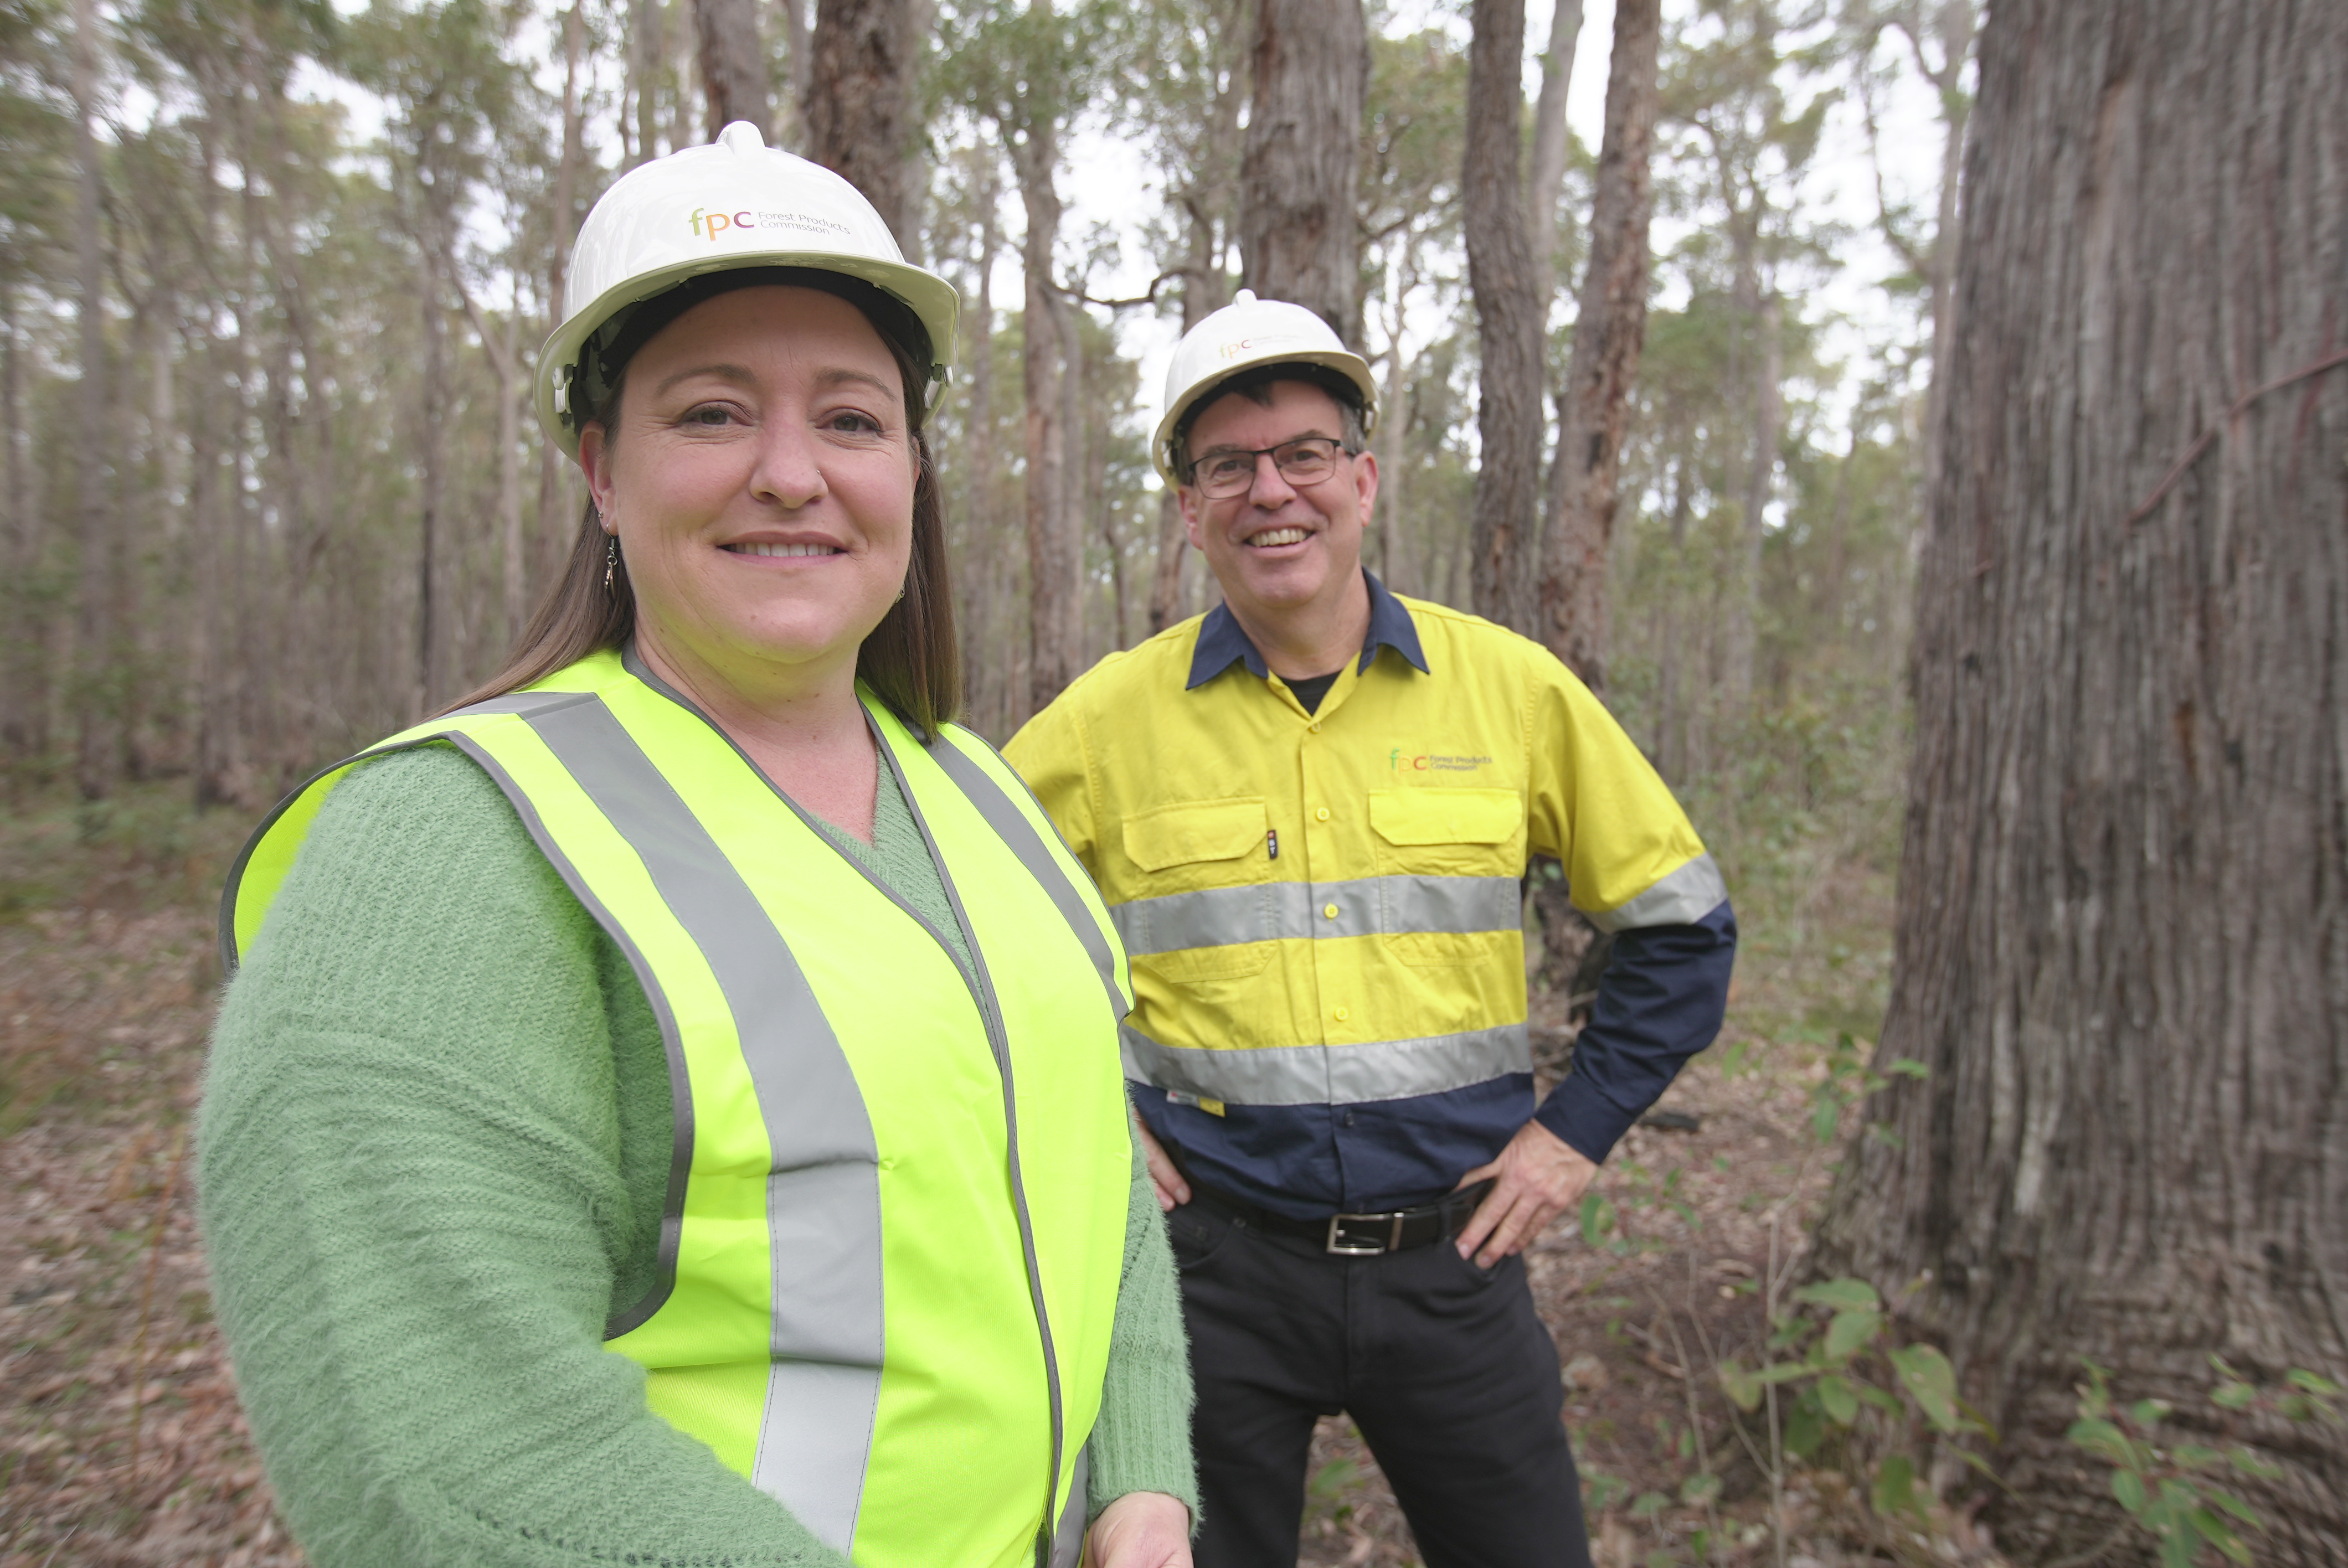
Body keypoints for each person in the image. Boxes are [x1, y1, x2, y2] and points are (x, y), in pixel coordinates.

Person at [199, 123, 1194, 1568]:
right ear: (602, 471)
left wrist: (1142, 1479)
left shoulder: (985, 798)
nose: (793, 473)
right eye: (715, 413)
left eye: (851, 420)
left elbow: (1091, 1173)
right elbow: (450, 1461)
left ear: (911, 471)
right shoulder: (449, 848)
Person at [1002, 291, 1736, 1568]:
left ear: (1362, 478)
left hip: (1453, 1261)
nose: (1268, 491)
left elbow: (1681, 926)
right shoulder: (1103, 723)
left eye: (1302, 454)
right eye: (1226, 466)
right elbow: (960, 941)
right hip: (1207, 1275)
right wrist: (1093, 1116)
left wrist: (1572, 1136)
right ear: (1187, 508)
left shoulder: (1509, 690)